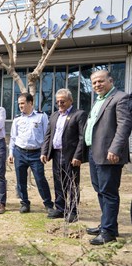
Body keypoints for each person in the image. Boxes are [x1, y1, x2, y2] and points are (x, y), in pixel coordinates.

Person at [84, 70, 132, 245]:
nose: (97, 85)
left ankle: (108, 232)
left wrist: (115, 149)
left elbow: (124, 126)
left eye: (100, 81)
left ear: (110, 81)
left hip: (109, 154)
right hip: (94, 152)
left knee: (109, 193)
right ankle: (108, 224)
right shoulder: (99, 100)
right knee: (100, 190)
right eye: (94, 82)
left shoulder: (120, 98)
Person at [41, 89, 87, 223]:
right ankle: (60, 208)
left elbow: (82, 137)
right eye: (57, 101)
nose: (60, 103)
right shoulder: (54, 115)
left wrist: (78, 155)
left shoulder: (79, 114)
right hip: (56, 154)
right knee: (58, 182)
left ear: (70, 101)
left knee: (72, 183)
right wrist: (44, 152)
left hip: (71, 156)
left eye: (63, 101)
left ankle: (73, 211)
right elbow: (48, 135)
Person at [8, 93, 54, 215]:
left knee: (40, 179)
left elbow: (46, 136)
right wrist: (11, 152)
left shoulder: (41, 116)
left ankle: (48, 204)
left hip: (36, 153)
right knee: (20, 180)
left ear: (30, 103)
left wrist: (45, 152)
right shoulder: (17, 118)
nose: (20, 106)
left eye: (22, 103)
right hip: (20, 152)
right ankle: (24, 203)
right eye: (19, 104)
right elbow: (13, 137)